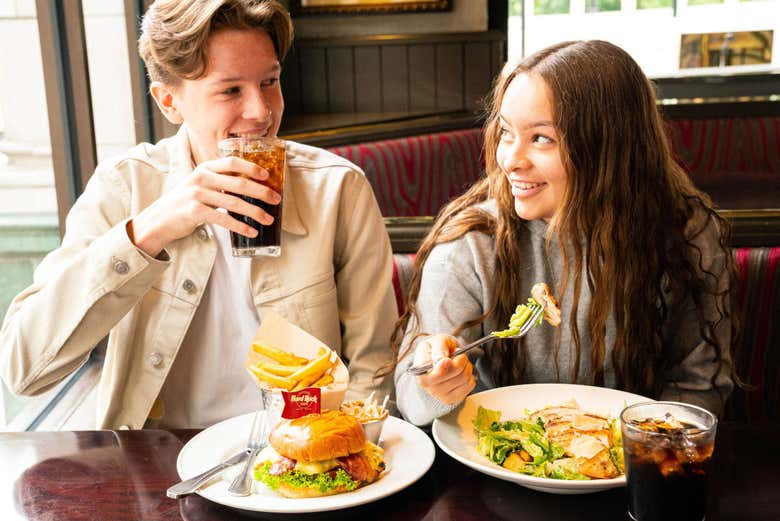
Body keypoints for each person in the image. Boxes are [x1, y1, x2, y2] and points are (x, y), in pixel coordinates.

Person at [0, 0, 397, 429]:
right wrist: (149, 230)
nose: (261, 111)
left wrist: (336, 459)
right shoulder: (123, 187)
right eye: (231, 90)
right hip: (158, 463)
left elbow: (374, 366)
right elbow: (24, 371)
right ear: (169, 101)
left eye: (269, 81)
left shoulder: (338, 189)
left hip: (295, 459)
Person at [392, 40, 737, 427]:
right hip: (490, 464)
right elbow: (410, 398)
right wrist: (433, 383)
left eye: (541, 138)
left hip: (637, 465)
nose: (510, 160)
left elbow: (699, 387)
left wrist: (621, 454)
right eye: (506, 132)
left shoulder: (684, 233)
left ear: (607, 148)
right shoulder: (473, 243)